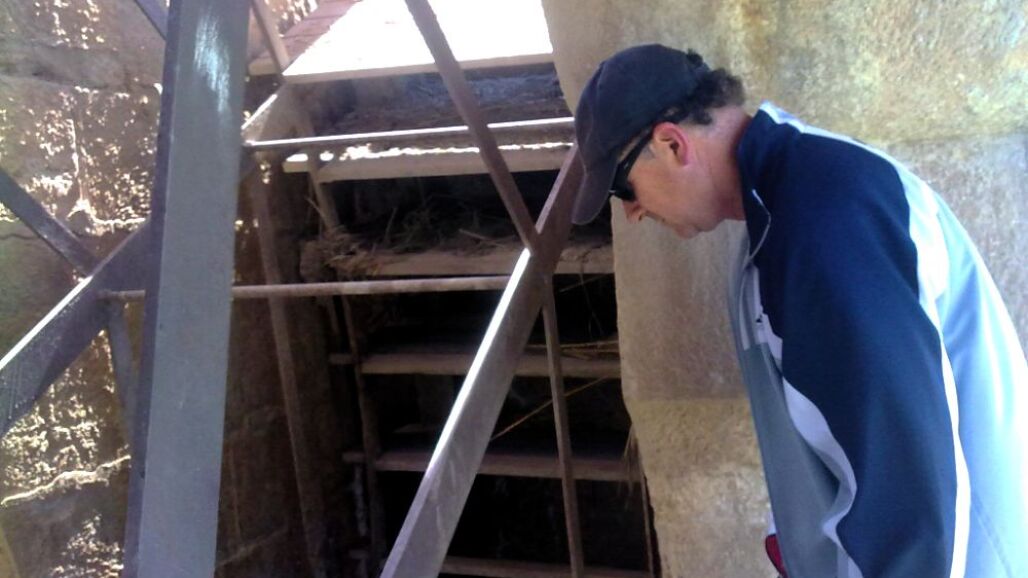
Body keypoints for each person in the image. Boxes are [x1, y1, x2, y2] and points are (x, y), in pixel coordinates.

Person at [571, 44, 1028, 578]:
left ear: (672, 145)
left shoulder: (825, 220)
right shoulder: (784, 210)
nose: (632, 212)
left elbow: (910, 500)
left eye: (622, 188)